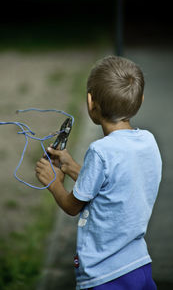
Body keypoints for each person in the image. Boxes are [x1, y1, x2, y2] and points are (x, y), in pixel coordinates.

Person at [35, 56, 162, 290]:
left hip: (105, 273)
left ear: (90, 102)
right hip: (139, 264)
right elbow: (114, 182)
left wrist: (54, 183)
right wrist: (72, 166)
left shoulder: (100, 151)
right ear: (140, 100)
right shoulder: (148, 141)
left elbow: (73, 206)